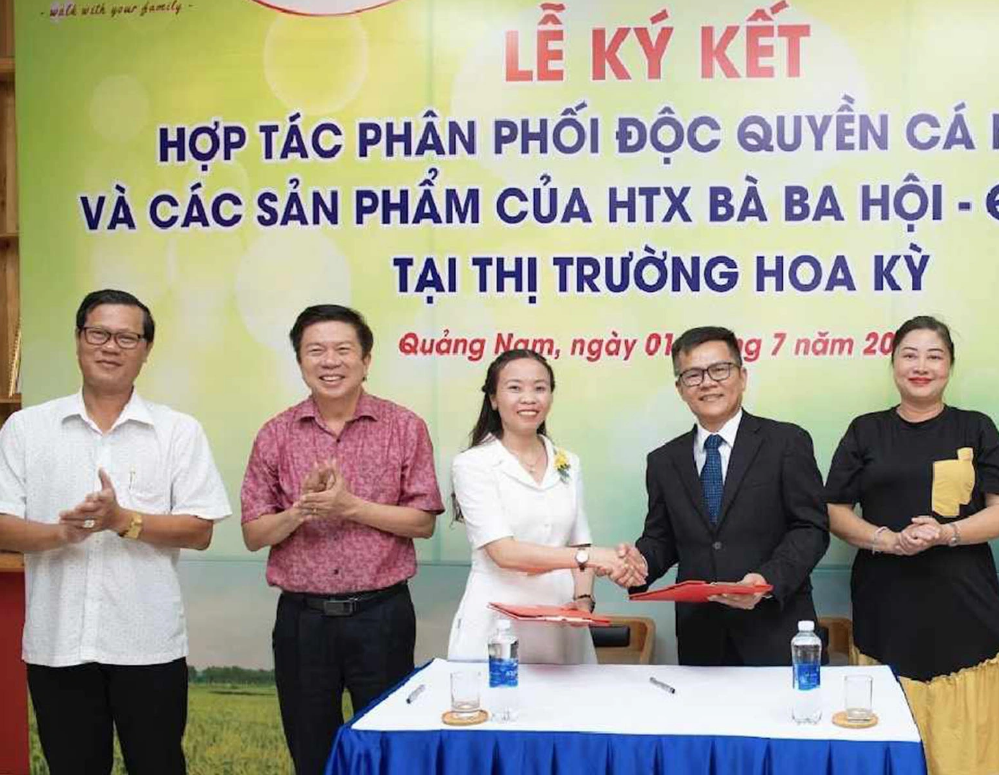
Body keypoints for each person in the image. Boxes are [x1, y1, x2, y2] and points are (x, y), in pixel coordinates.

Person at [0, 289, 231, 775]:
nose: (111, 347)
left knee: (159, 765)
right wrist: (62, 534)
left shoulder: (177, 431)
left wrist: (122, 521)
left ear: (146, 350)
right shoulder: (26, 429)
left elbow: (200, 528)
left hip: (148, 645)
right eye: (99, 334)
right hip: (57, 644)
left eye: (127, 337)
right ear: (78, 340)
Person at [824, 315, 999, 775]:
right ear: (894, 363)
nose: (921, 366)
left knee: (974, 753)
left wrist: (947, 533)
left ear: (950, 367)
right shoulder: (866, 430)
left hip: (967, 608)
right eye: (910, 355)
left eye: (934, 356)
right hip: (887, 606)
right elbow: (834, 511)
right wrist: (887, 540)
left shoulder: (975, 427)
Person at [240, 304, 443, 775]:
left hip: (382, 616)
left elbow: (422, 521)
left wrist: (351, 507)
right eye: (316, 351)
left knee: (387, 750)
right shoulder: (275, 434)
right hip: (302, 623)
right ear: (300, 361)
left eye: (342, 350)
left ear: (366, 360)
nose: (329, 361)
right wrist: (301, 511)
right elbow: (253, 533)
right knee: (311, 753)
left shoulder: (404, 427)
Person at [631, 326, 829, 665]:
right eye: (693, 375)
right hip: (701, 639)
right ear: (680, 389)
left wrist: (766, 581)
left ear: (742, 376)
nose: (707, 382)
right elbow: (662, 539)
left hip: (775, 630)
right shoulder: (663, 461)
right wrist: (638, 564)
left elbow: (810, 529)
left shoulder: (786, 442)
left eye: (719, 370)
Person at [447, 348, 646, 663]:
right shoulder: (472, 464)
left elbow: (579, 539)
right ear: (494, 399)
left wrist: (582, 603)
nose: (529, 398)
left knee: (570, 708)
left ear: (551, 397)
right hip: (497, 623)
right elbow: (505, 553)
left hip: (562, 620)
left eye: (540, 388)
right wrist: (590, 558)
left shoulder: (568, 462)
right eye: (515, 388)